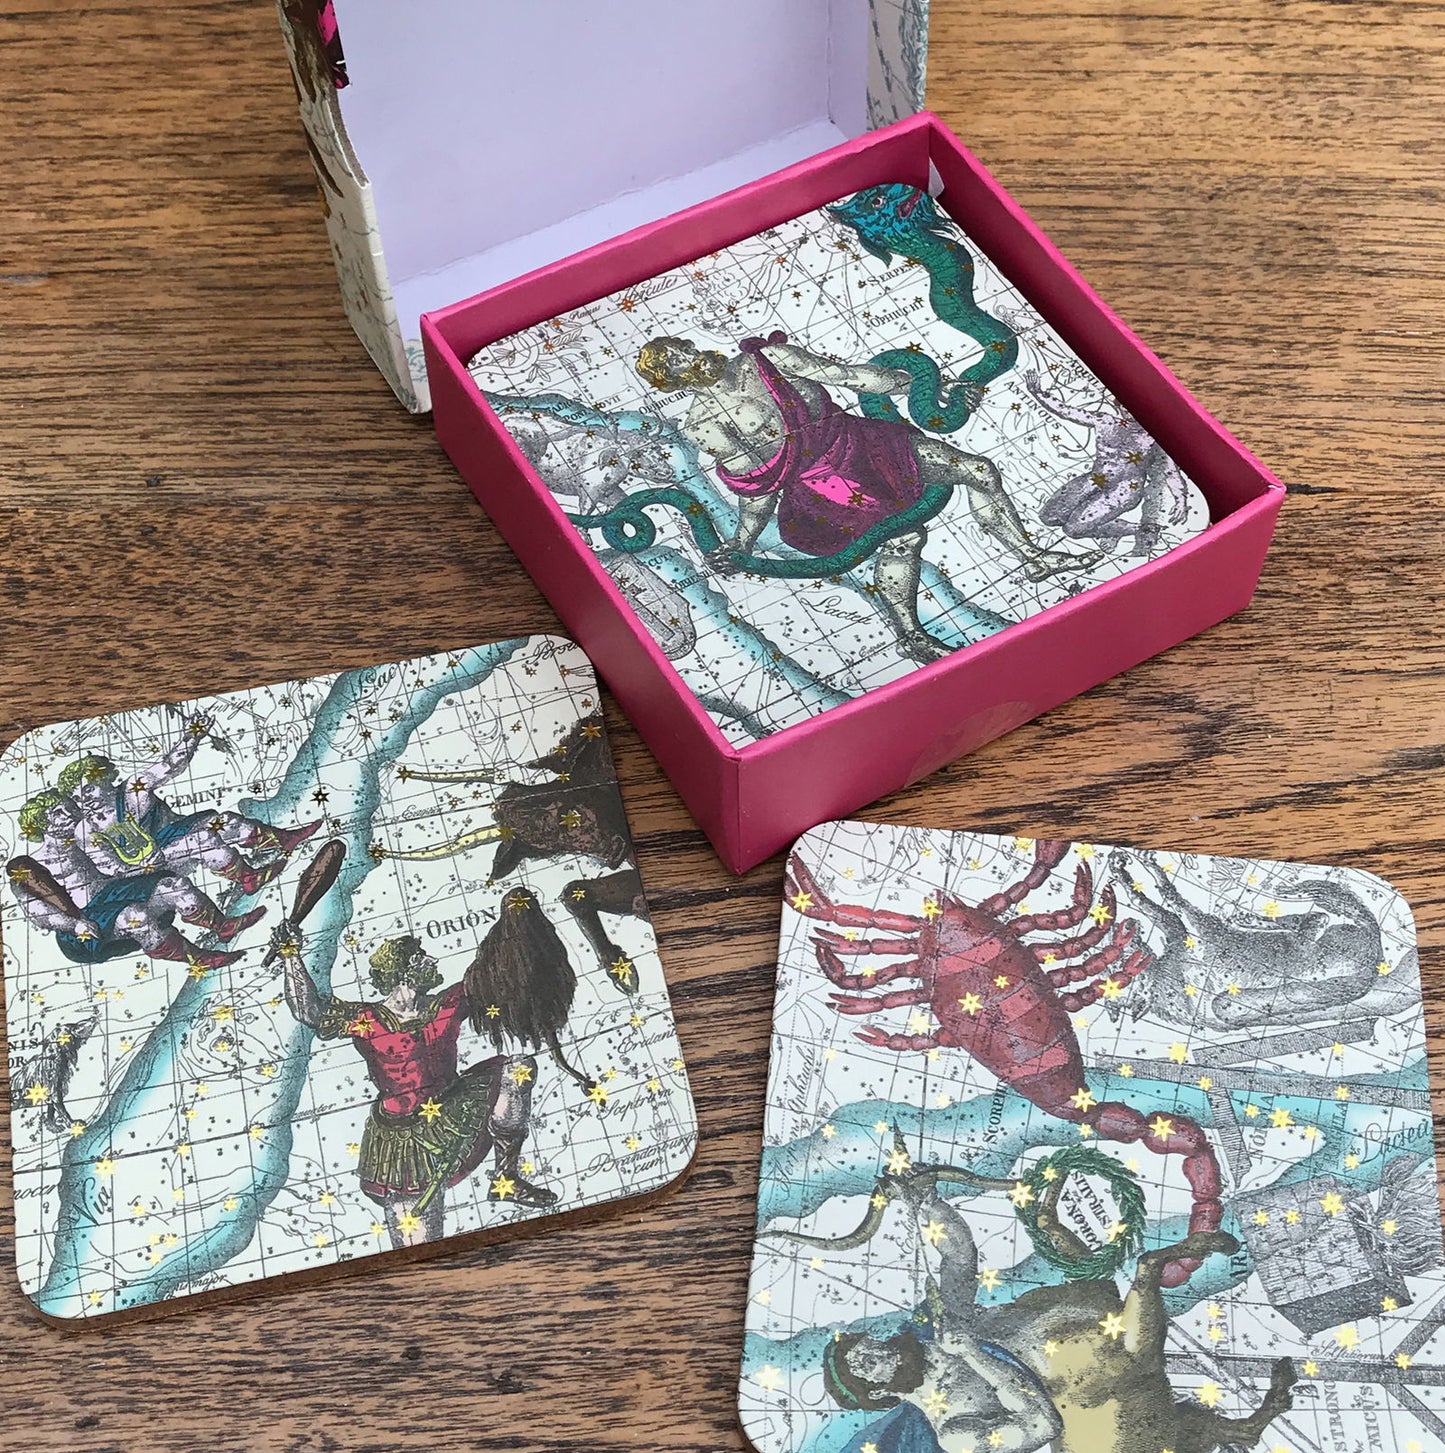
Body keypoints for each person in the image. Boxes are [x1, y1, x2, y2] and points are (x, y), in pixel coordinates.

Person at [635, 333, 1095, 662]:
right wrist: (743, 542)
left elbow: (853, 377)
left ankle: (1032, 558)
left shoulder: (768, 359)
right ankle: (911, 635)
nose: (686, 356)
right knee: (903, 541)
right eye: (673, 362)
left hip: (865, 441)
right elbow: (758, 488)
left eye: (682, 347)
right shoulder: (704, 426)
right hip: (824, 486)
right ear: (670, 382)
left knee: (978, 470)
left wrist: (929, 388)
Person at [274, 925, 558, 1248]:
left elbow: (491, 976)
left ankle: (506, 1176)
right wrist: (290, 955)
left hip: (455, 1108)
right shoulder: (368, 1019)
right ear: (402, 972)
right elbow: (310, 1010)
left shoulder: (448, 1002)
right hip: (402, 1143)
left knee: (518, 1070)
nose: (431, 961)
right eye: (421, 958)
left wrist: (517, 923)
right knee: (418, 1246)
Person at [61, 724, 320, 894]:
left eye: (88, 790)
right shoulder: (86, 830)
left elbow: (169, 766)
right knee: (204, 839)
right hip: (145, 871)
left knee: (226, 821)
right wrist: (142, 865)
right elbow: (111, 868)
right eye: (78, 799)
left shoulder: (132, 790)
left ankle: (281, 840)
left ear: (104, 779)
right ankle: (247, 879)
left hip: (171, 837)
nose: (86, 801)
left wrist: (193, 735)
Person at [10, 790, 258, 968]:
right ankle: (199, 958)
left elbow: (117, 868)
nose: (67, 813)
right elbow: (38, 912)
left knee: (173, 886)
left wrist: (144, 865)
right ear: (41, 824)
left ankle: (223, 926)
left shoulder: (86, 838)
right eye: (57, 813)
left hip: (112, 893)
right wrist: (73, 925)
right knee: (136, 916)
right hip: (82, 921)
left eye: (67, 807)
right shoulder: (32, 865)